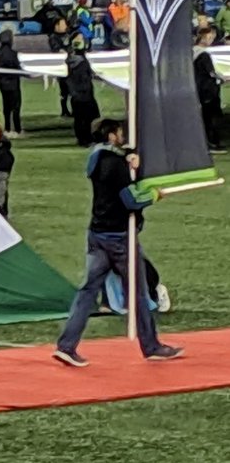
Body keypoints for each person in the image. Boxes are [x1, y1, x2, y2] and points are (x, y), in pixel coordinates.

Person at [53, 118, 184, 367]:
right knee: (138, 291)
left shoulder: (96, 159)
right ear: (112, 135)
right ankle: (152, 346)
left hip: (97, 234)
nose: (124, 136)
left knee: (87, 290)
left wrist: (129, 159)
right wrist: (154, 195)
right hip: (119, 238)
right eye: (121, 133)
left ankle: (66, 345)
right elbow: (131, 201)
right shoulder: (116, 166)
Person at [193, 25, 225, 153]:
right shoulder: (204, 54)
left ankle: (209, 142)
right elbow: (211, 72)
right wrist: (222, 78)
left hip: (200, 88)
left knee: (206, 116)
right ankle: (213, 143)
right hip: (208, 89)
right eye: (210, 37)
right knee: (212, 117)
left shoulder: (193, 51)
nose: (212, 40)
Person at [65, 34, 100, 147]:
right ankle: (87, 139)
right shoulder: (83, 63)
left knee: (79, 119)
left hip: (75, 96)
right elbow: (85, 80)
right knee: (90, 117)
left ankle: (82, 139)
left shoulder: (70, 62)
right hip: (85, 95)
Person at [0, 28, 24, 137]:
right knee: (16, 106)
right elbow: (16, 67)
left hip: (2, 83)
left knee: (6, 106)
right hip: (13, 83)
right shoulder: (12, 54)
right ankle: (17, 129)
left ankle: (7, 128)